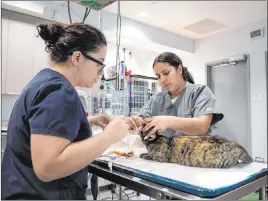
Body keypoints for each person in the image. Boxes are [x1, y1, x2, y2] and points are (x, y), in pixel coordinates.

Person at [1, 23, 131, 200]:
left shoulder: (45, 81)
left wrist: (88, 121)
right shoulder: (59, 91)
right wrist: (109, 136)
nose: (101, 72)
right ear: (77, 58)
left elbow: (44, 126)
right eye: (100, 63)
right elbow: (48, 167)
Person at [128, 52, 223, 138]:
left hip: (196, 154)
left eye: (166, 73)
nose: (162, 80)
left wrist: (168, 121)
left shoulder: (200, 92)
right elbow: (142, 118)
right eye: (158, 76)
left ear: (180, 69)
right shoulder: (157, 99)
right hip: (167, 155)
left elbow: (202, 127)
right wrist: (135, 121)